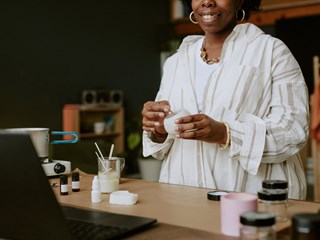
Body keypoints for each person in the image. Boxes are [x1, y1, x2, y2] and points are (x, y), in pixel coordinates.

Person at [141, 0, 309, 200]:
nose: (207, 1)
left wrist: (225, 134)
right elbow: (160, 146)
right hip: (183, 198)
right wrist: (158, 129)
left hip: (252, 198)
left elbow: (293, 130)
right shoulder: (176, 62)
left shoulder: (272, 52)